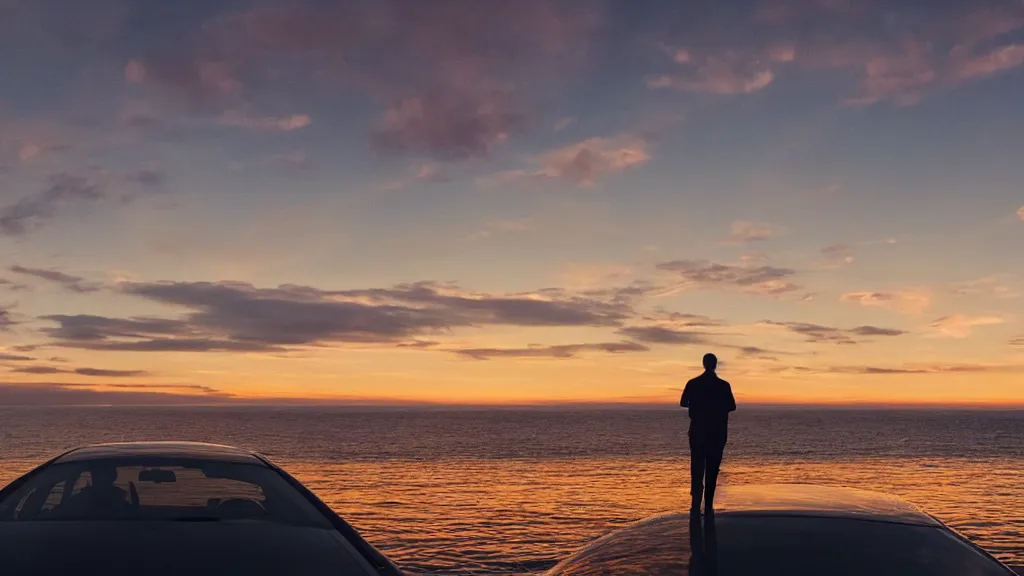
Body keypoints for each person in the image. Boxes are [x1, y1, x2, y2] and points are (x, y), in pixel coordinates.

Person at [680, 353, 736, 516]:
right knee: (712, 469)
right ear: (715, 365)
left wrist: (698, 405)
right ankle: (708, 505)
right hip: (717, 433)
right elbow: (732, 406)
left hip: (698, 431)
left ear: (704, 364)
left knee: (696, 468)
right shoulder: (723, 386)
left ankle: (696, 504)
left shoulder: (693, 383)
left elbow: (683, 402)